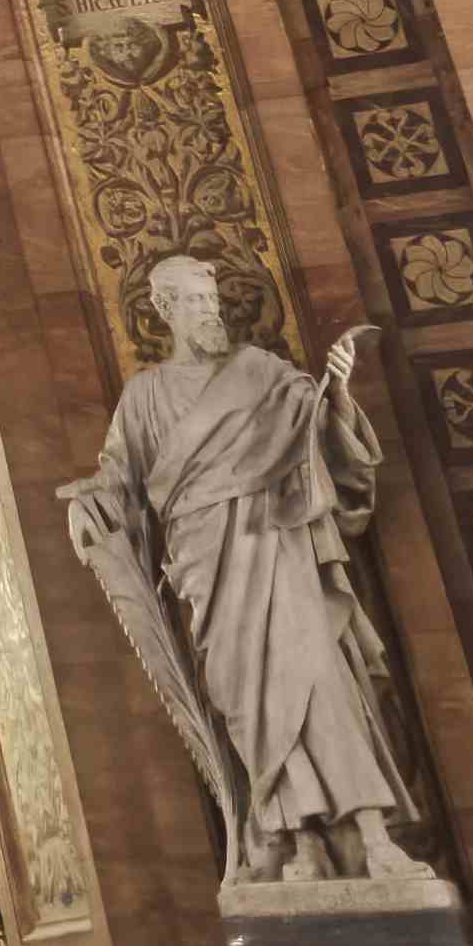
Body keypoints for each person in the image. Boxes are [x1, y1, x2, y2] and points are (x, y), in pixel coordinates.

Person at [61, 257, 426, 884]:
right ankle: (300, 841)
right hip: (206, 563)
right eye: (195, 301)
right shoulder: (144, 397)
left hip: (275, 541)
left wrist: (337, 393)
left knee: (317, 680)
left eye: (213, 300)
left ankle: (372, 835)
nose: (211, 311)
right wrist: (88, 505)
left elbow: (324, 443)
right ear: (165, 310)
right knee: (247, 700)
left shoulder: (264, 375)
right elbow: (119, 479)